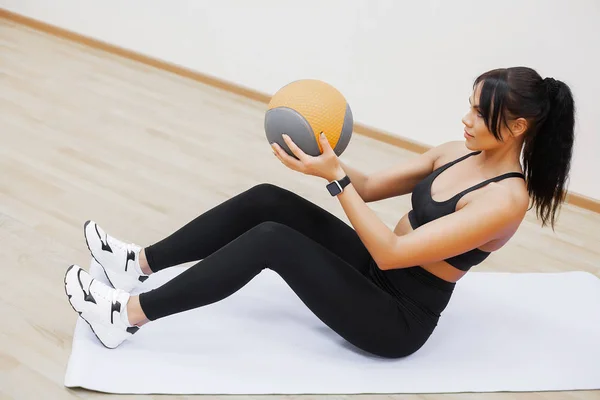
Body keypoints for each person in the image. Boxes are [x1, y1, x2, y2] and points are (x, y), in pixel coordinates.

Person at [63, 66, 575, 358]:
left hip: (397, 316)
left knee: (272, 240)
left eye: (478, 113)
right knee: (268, 199)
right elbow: (370, 187)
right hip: (376, 272)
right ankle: (137, 264)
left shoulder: (505, 200)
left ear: (517, 127)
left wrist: (336, 180)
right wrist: (322, 161)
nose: (464, 119)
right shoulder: (454, 150)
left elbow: (393, 252)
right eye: (467, 104)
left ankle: (126, 317)